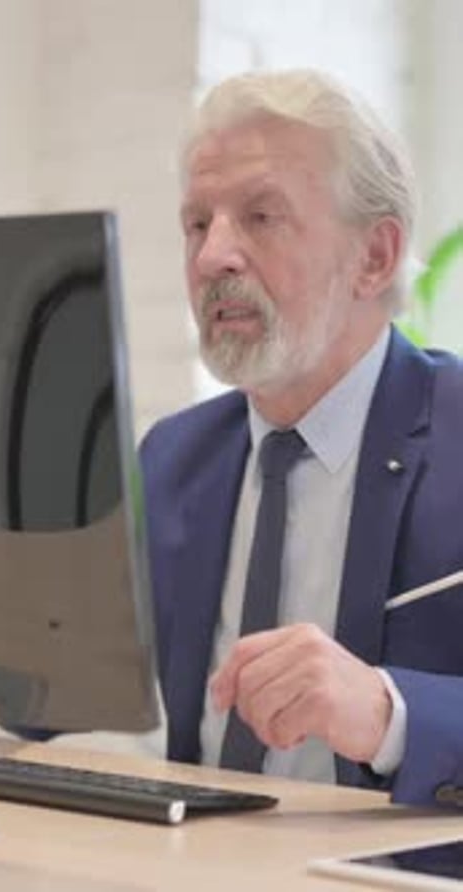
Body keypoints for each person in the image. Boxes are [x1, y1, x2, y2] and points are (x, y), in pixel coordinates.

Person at [140, 68, 463, 807]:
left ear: (374, 257)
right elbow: (62, 709)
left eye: (260, 217)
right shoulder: (170, 461)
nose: (212, 256)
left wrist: (393, 716)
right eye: (198, 222)